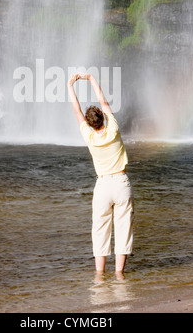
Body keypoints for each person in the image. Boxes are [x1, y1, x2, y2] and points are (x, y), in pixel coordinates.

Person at [67, 72, 134, 275]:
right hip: (122, 183)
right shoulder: (113, 128)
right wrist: (91, 79)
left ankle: (99, 276)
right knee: (123, 229)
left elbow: (76, 110)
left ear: (88, 124)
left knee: (100, 230)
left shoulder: (89, 136)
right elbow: (103, 100)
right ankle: (119, 274)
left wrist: (70, 85)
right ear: (103, 117)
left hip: (103, 185)